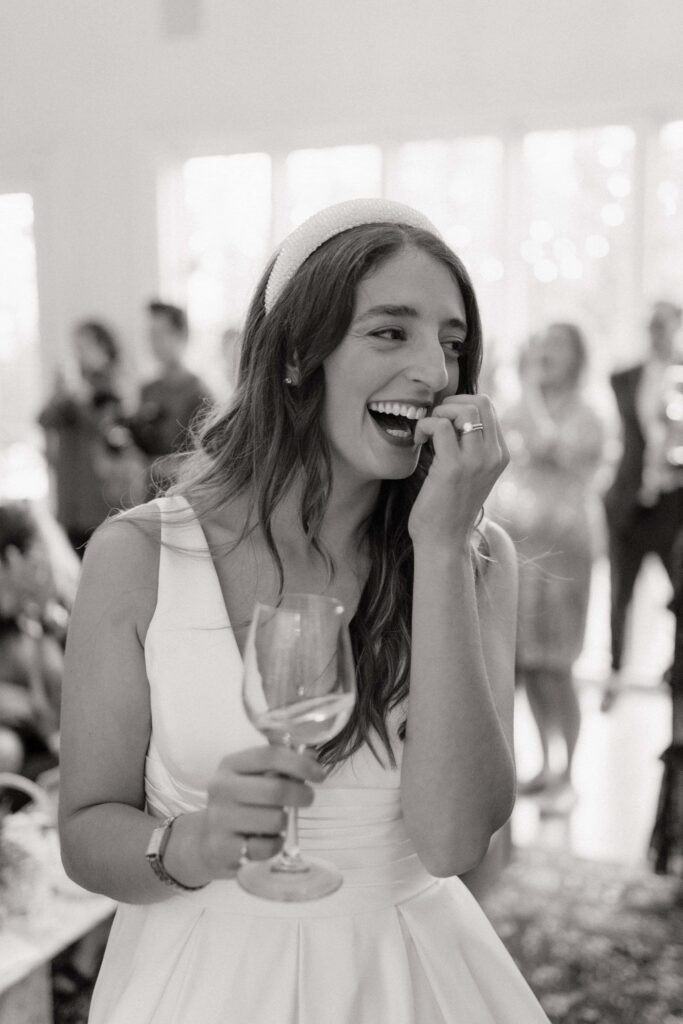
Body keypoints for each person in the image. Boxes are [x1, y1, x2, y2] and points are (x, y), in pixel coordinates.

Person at [58, 199, 550, 1023]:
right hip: (197, 983)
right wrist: (193, 843)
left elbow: (454, 842)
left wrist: (438, 547)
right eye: (390, 332)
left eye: (453, 342)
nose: (434, 370)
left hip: (412, 981)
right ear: (295, 352)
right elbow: (83, 831)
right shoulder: (137, 556)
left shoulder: (473, 553)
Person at [489, 324, 605, 812]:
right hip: (519, 546)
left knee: (557, 665)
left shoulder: (588, 415)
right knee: (527, 664)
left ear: (577, 357)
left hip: (565, 551)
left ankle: (570, 774)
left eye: (556, 346)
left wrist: (531, 394)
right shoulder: (516, 407)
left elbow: (554, 448)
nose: (544, 354)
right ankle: (543, 765)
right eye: (541, 345)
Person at [602, 300, 683, 711]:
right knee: (620, 594)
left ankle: (677, 671)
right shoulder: (625, 378)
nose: (658, 333)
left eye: (665, 325)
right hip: (629, 504)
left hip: (674, 504)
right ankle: (615, 671)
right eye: (652, 325)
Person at [38, 320, 146, 557]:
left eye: (85, 347)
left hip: (102, 497)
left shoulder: (117, 384)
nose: (79, 355)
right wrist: (60, 392)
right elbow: (45, 419)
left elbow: (113, 430)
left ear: (104, 347)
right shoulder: (72, 389)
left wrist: (83, 398)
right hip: (72, 497)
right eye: (76, 347)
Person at [128, 301, 212, 495]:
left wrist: (167, 465)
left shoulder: (199, 392)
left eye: (160, 334)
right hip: (150, 495)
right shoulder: (147, 390)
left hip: (185, 497)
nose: (153, 342)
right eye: (150, 335)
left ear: (182, 335)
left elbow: (208, 458)